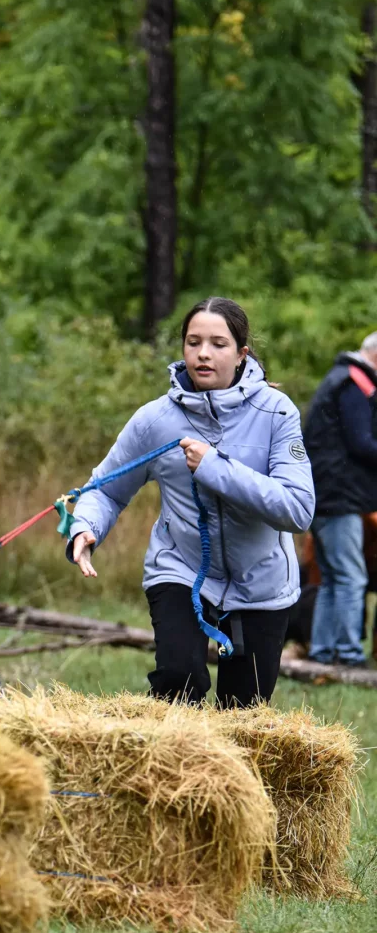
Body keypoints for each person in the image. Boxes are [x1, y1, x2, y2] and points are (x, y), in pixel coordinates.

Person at [68, 297, 315, 708]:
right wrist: (85, 528)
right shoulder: (155, 419)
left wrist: (215, 467)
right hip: (181, 568)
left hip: (262, 583)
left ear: (241, 354)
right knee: (177, 680)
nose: (203, 353)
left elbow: (298, 510)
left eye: (218, 343)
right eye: (193, 342)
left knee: (243, 715)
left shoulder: (276, 413)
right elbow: (106, 488)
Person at [303, 333, 377, 666]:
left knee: (333, 576)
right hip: (338, 497)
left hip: (322, 495)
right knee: (350, 576)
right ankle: (347, 653)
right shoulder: (353, 385)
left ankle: (322, 650)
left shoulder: (340, 379)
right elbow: (362, 442)